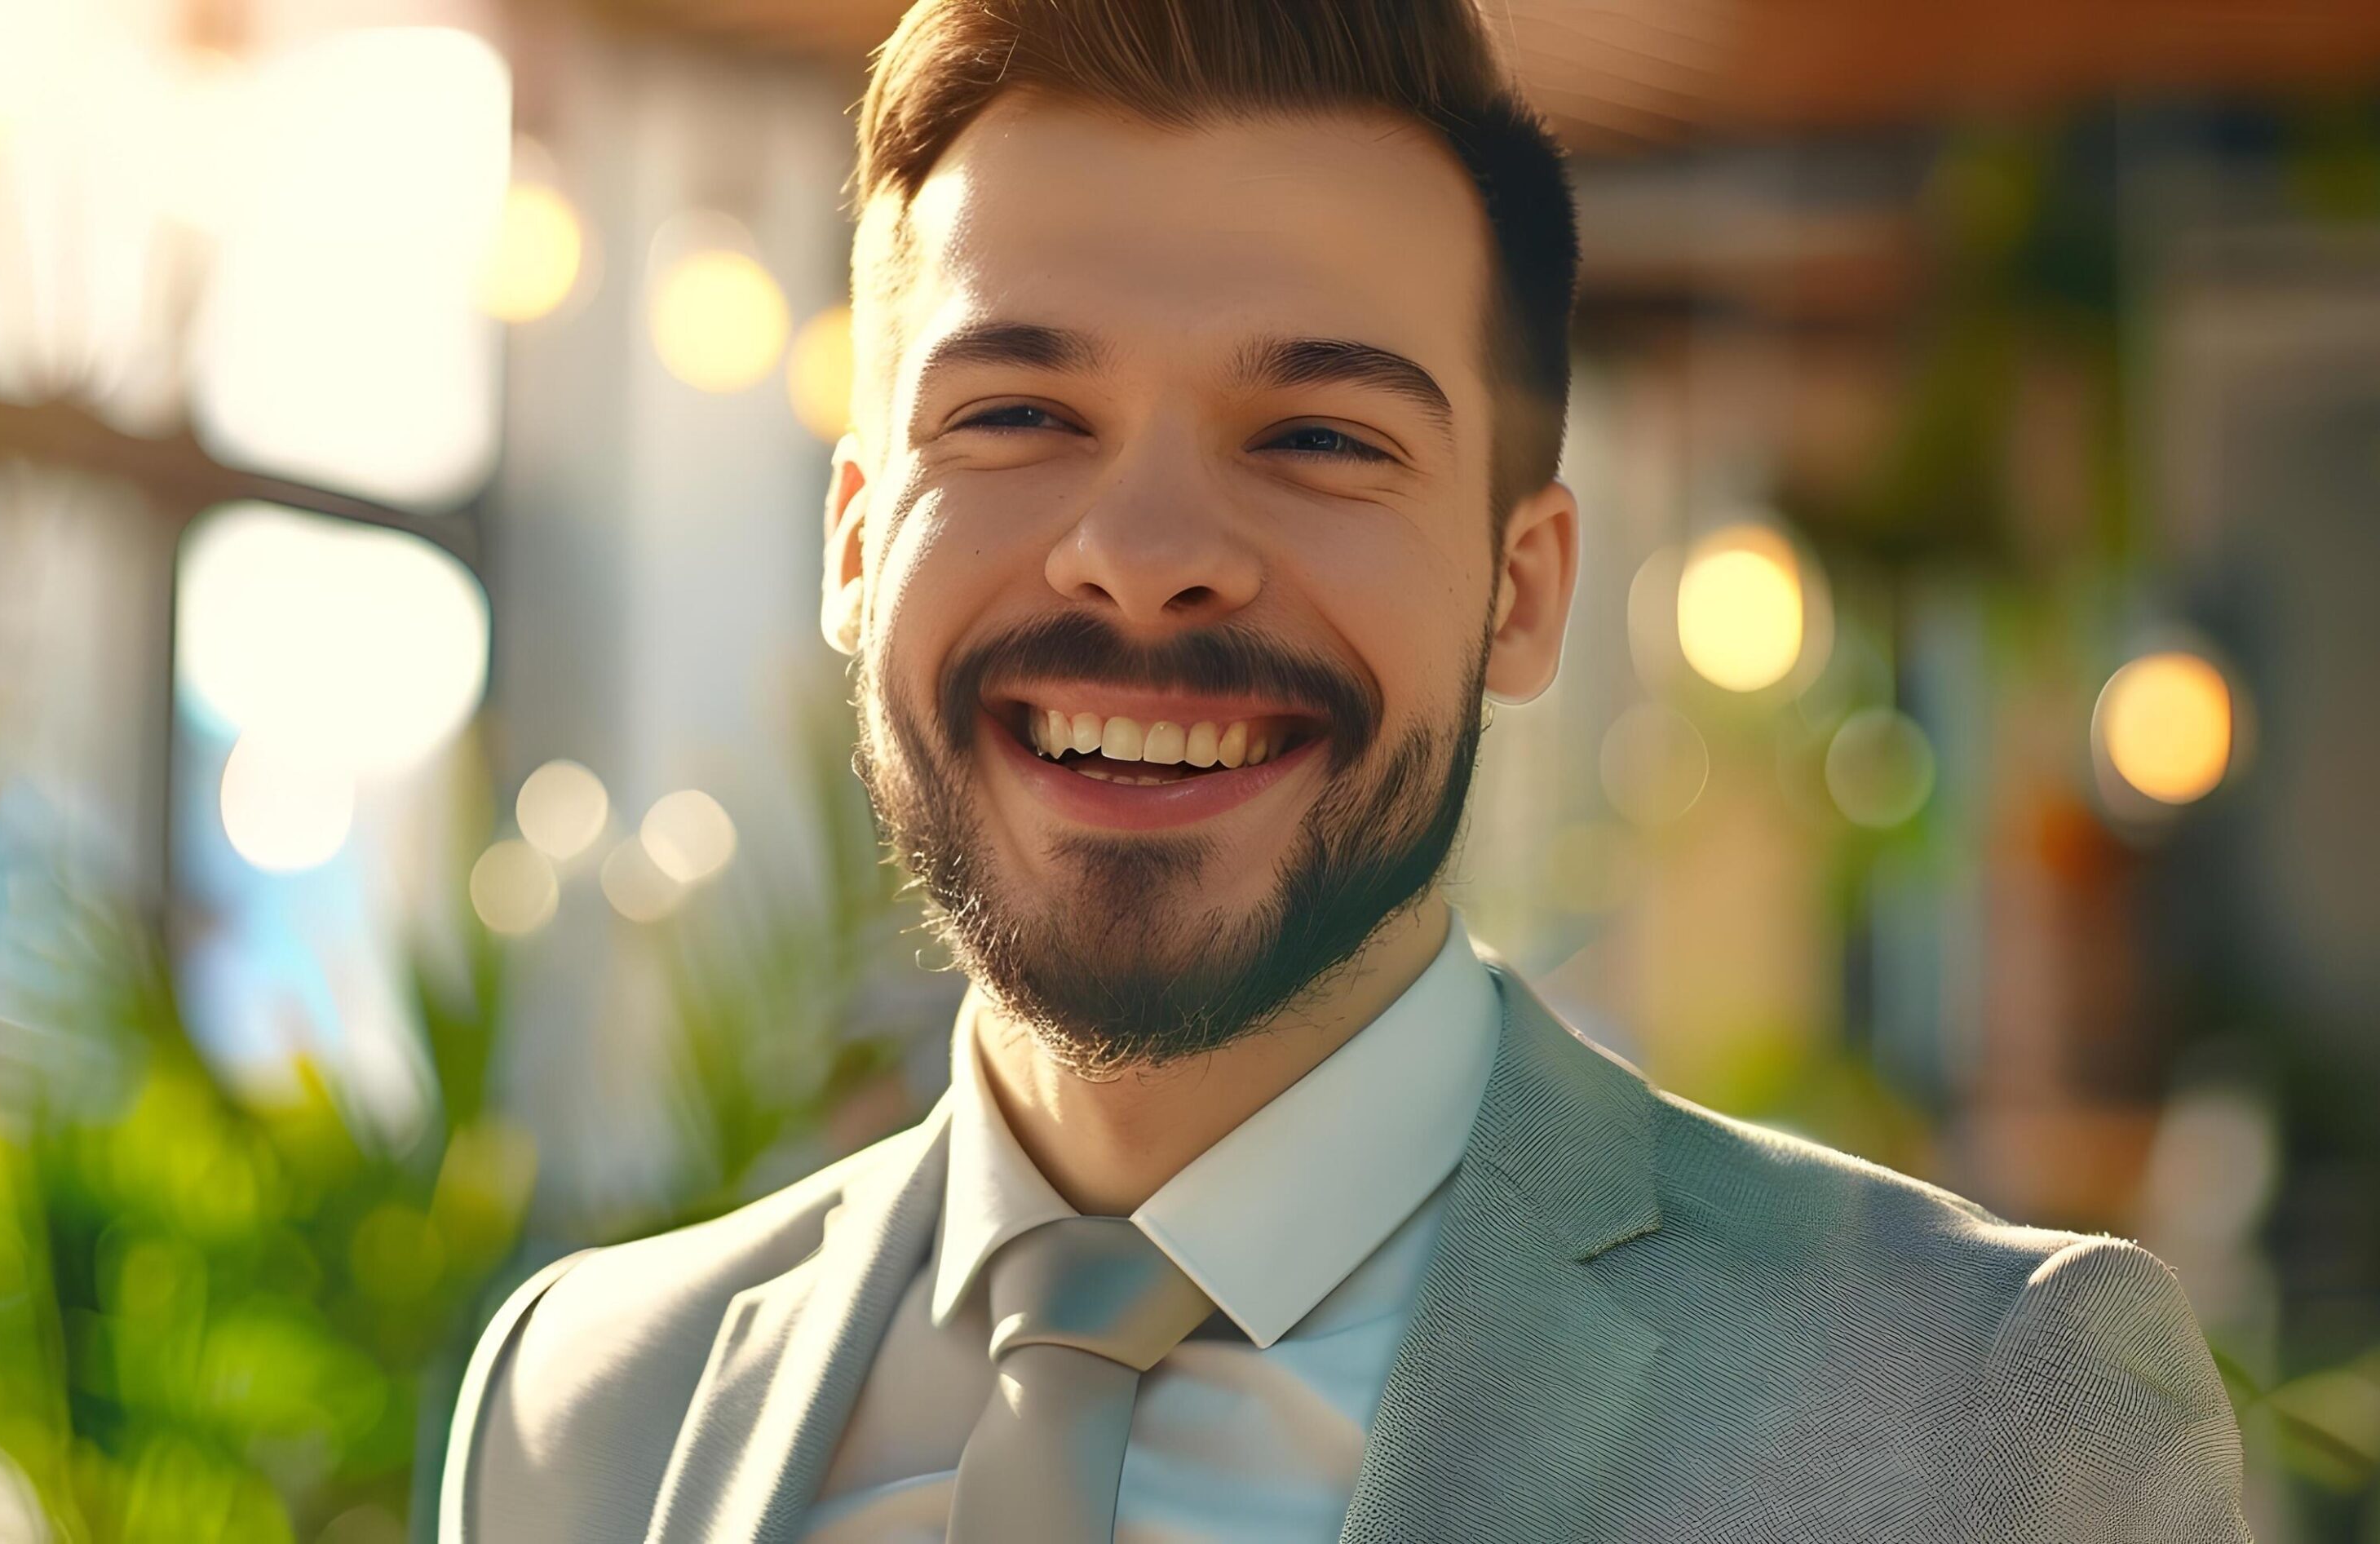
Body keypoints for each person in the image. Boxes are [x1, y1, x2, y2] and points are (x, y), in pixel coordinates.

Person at [436, 1, 2253, 1538]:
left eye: (1315, 435)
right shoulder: (585, 1408)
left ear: (1521, 588)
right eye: (1015, 414)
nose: (1141, 551)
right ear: (854, 544)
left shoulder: (1974, 1410)